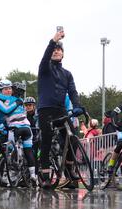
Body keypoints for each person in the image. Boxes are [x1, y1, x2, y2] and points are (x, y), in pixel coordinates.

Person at [37, 29, 85, 189]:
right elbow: (45, 58)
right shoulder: (44, 68)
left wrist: (77, 106)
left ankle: (70, 168)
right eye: (55, 50)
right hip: (45, 110)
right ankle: (44, 176)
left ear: (63, 54)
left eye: (60, 50)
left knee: (73, 138)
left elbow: (72, 92)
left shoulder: (67, 74)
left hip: (60, 110)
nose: (57, 51)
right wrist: (53, 41)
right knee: (47, 139)